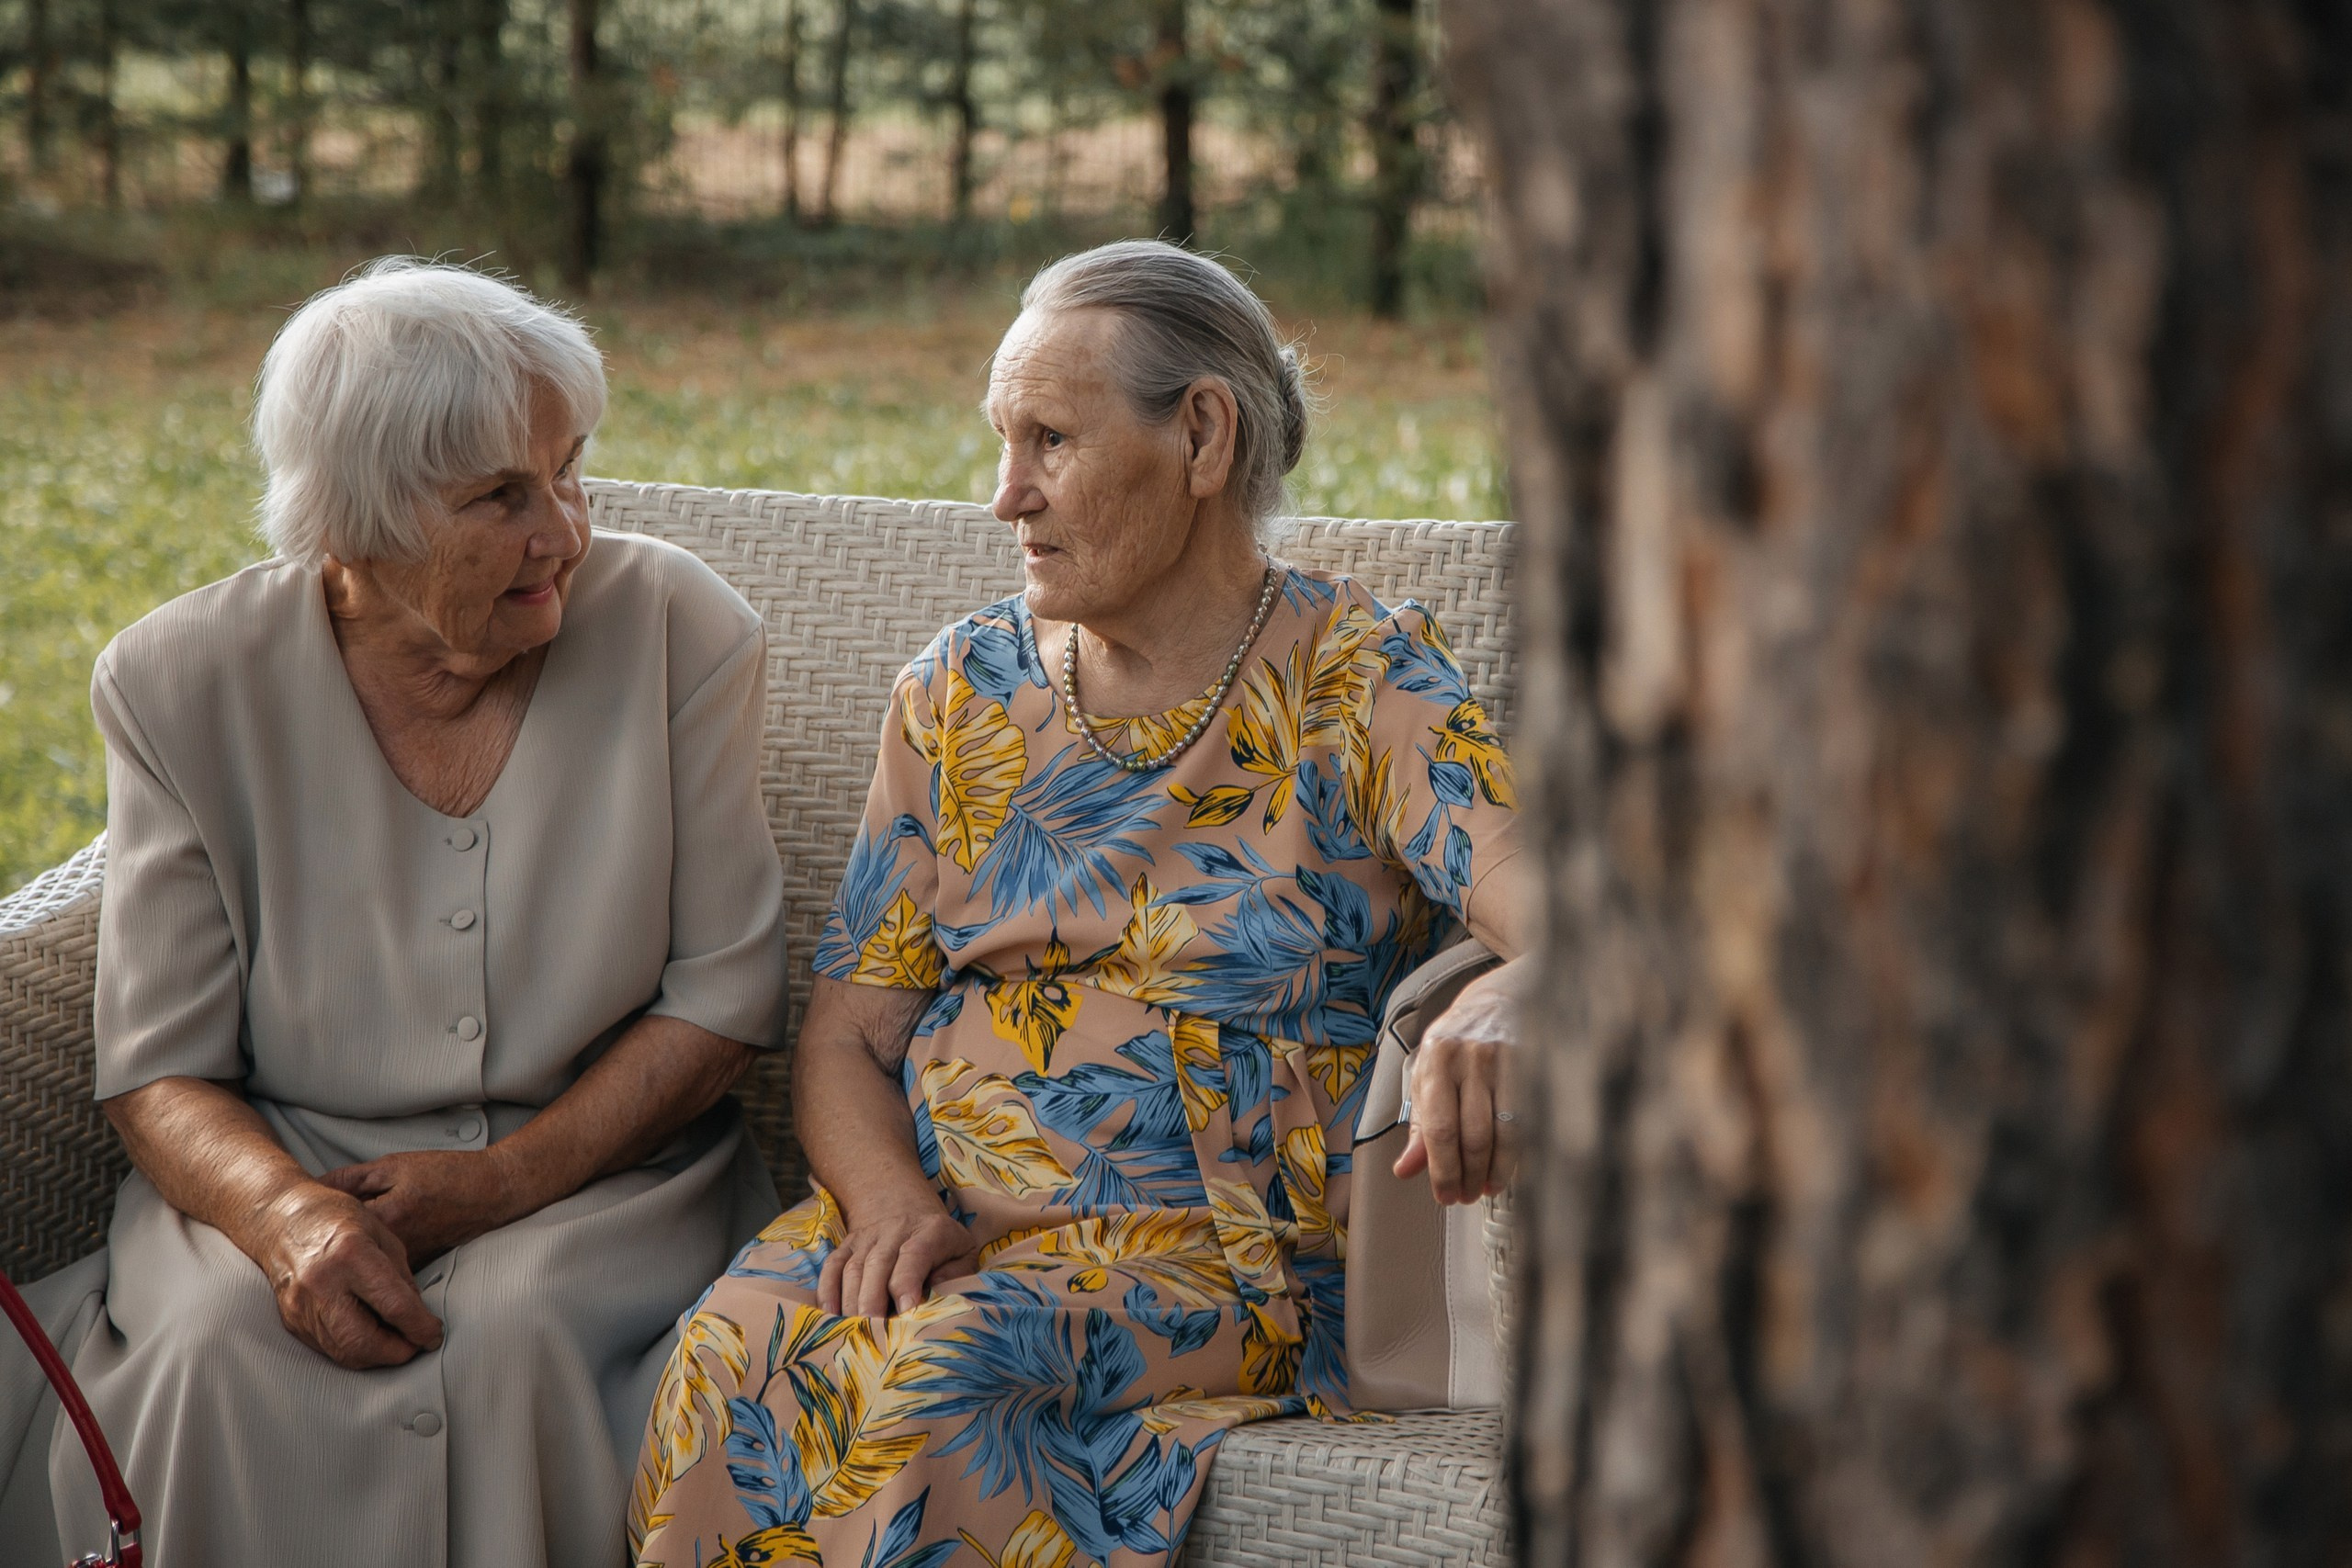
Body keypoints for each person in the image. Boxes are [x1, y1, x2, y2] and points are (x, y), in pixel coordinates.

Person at [628, 239, 1527, 1568]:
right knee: (722, 1357)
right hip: (945, 1206)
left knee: (944, 1389)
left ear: (1203, 437)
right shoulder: (958, 692)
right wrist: (886, 1211)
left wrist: (1515, 990)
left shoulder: (1359, 677)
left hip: (1217, 1244)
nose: (1005, 498)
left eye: (1048, 440)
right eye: (1002, 443)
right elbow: (849, 1037)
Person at [0, 258, 789, 1566]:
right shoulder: (176, 683)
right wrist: (285, 1217)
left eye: (569, 470)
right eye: (502, 498)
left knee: (521, 1332)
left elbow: (720, 998)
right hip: (290, 1164)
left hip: (598, 1181)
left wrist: (504, 1181)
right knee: (211, 1347)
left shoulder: (678, 631)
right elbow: (161, 1067)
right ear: (354, 522)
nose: (568, 532)